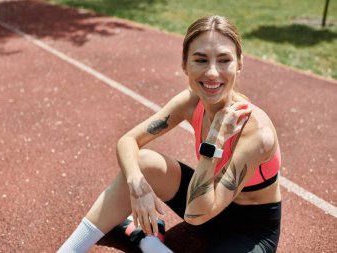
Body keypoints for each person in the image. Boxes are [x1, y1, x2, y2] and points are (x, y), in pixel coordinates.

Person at [58, 15, 282, 253]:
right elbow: (128, 141)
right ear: (185, 64)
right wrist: (137, 184)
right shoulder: (190, 102)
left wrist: (214, 140)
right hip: (205, 201)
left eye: (224, 60)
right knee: (143, 162)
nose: (213, 73)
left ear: (239, 63)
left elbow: (196, 215)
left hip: (249, 229)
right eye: (201, 60)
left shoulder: (256, 133)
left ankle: (148, 242)